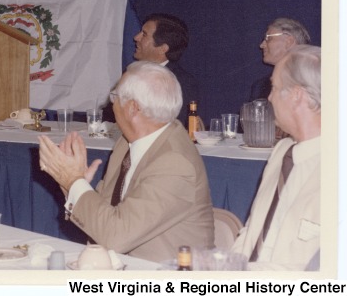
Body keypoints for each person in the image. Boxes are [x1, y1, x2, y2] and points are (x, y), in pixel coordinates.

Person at [38, 61, 214, 262]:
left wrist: (73, 182)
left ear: (132, 108)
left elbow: (116, 237)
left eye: (115, 96)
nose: (112, 103)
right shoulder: (127, 143)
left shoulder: (175, 163)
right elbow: (104, 220)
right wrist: (72, 183)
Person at [231, 45, 320, 270]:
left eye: (274, 87)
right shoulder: (282, 152)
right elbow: (251, 233)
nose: (269, 98)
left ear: (296, 95)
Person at [132, 13, 200, 126]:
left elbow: (180, 127)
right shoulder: (130, 75)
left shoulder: (182, 83)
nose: (136, 38)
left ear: (162, 48)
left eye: (144, 34)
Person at [250, 18, 310, 101]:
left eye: (268, 38)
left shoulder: (315, 80)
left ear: (289, 42)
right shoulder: (260, 87)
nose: (261, 45)